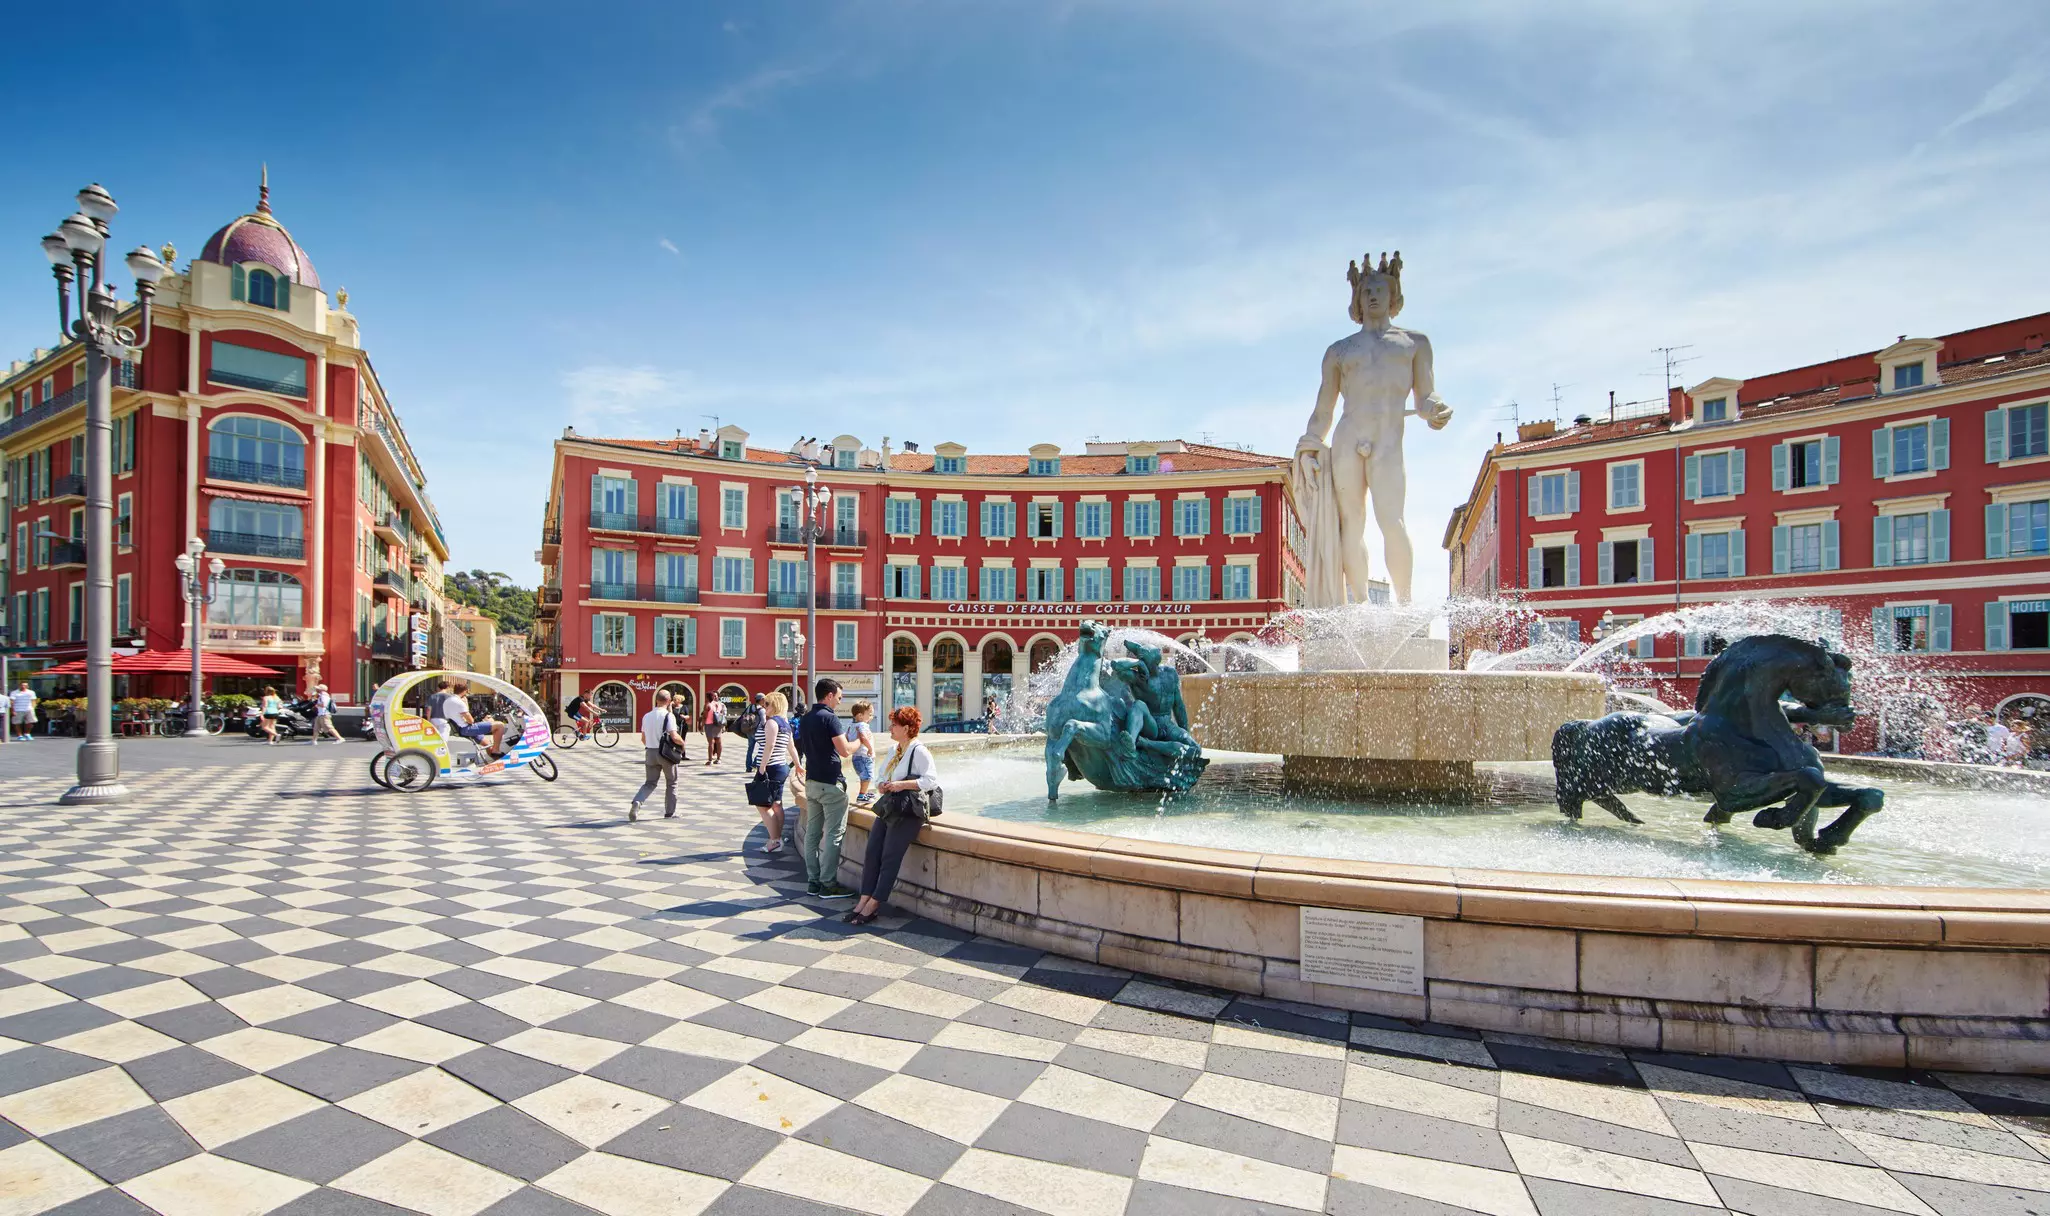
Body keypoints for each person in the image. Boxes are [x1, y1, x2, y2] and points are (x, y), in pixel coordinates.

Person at [847, 707, 939, 926]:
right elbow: (881, 775)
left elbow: (931, 780)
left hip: (908, 811)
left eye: (894, 725)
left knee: (890, 856)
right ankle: (863, 899)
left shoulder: (919, 751)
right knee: (872, 851)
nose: (890, 728)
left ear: (906, 728)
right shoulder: (894, 750)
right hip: (890, 806)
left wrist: (901, 784)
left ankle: (874, 904)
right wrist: (881, 784)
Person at [796, 679, 859, 899]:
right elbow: (844, 750)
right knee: (834, 834)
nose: (840, 702)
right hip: (831, 783)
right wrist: (860, 741)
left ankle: (813, 882)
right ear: (830, 695)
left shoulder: (806, 718)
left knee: (812, 834)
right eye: (839, 698)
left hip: (812, 782)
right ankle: (828, 884)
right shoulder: (830, 718)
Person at [630, 689, 685, 822]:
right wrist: (682, 744)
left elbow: (643, 738)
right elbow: (674, 735)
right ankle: (670, 812)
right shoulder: (668, 716)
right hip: (665, 754)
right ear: (669, 701)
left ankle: (637, 801)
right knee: (672, 783)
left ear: (656, 700)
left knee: (650, 783)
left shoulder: (647, 716)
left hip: (650, 752)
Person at [751, 692, 795, 852]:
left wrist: (761, 768)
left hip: (770, 767)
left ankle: (775, 840)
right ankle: (777, 838)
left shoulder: (772, 723)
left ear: (775, 705)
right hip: (781, 767)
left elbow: (769, 747)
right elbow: (791, 747)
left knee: (762, 804)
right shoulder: (785, 723)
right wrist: (798, 764)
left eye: (767, 704)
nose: (764, 706)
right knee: (776, 804)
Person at [447, 681, 508, 758]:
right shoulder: (459, 702)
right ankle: (496, 750)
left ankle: (494, 760)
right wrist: (465, 703)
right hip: (466, 729)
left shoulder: (448, 700)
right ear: (465, 691)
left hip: (459, 728)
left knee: (487, 743)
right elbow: (471, 720)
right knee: (500, 725)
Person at [847, 701, 877, 805]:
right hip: (864, 756)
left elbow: (846, 737)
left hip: (856, 756)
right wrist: (870, 749)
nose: (871, 717)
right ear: (860, 716)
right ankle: (861, 796)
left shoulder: (851, 725)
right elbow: (863, 737)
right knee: (868, 776)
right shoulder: (862, 725)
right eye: (869, 714)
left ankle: (864, 793)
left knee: (863, 776)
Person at [702, 698, 726, 765]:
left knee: (711, 742)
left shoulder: (708, 705)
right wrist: (723, 726)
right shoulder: (720, 705)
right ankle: (718, 759)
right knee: (718, 741)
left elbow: (704, 716)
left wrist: (701, 726)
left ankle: (710, 760)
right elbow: (723, 715)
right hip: (718, 724)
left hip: (709, 724)